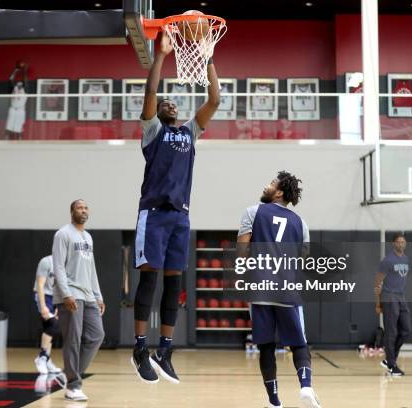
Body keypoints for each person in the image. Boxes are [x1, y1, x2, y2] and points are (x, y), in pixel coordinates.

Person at [131, 31, 220, 385]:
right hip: (153, 215)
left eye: (173, 102)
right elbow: (150, 92)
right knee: (148, 281)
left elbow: (215, 98)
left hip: (180, 217)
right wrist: (162, 56)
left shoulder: (190, 133)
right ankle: (140, 347)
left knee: (174, 285)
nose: (170, 103)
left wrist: (209, 57)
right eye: (166, 102)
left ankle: (164, 349)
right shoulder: (152, 130)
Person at [237, 171, 321, 408]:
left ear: (279, 192)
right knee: (299, 344)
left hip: (260, 288)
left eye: (271, 183)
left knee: (265, 346)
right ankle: (306, 387)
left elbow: (242, 254)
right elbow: (303, 261)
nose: (266, 185)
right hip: (287, 288)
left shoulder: (253, 212)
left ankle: (275, 402)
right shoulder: (301, 223)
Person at [52, 199, 104, 402]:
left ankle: (68, 374)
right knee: (73, 340)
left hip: (88, 295)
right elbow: (58, 266)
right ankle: (73, 386)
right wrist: (66, 294)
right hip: (71, 295)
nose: (83, 210)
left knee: (97, 335)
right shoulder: (63, 234)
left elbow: (91, 270)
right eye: (79, 208)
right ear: (72, 212)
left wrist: (98, 295)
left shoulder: (88, 237)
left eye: (85, 208)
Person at [374, 233, 410, 376]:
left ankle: (390, 359)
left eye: (403, 242)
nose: (401, 244)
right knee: (391, 332)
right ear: (394, 244)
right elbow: (377, 282)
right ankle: (392, 366)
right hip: (389, 296)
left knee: (406, 330)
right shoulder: (387, 261)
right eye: (398, 242)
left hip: (401, 296)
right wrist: (378, 303)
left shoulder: (406, 259)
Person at [33, 254, 62, 374]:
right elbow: (40, 285)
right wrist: (43, 305)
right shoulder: (46, 262)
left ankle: (47, 359)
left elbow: (62, 286)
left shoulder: (65, 264)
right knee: (53, 325)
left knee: (50, 329)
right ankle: (42, 357)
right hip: (44, 296)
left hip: (55, 298)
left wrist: (60, 305)